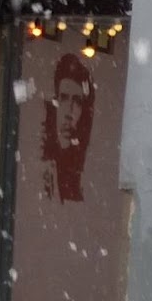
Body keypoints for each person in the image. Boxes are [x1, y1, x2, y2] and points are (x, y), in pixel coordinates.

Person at [41, 53, 95, 203]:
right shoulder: (43, 169)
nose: (69, 113)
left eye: (77, 102)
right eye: (64, 98)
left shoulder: (83, 177)